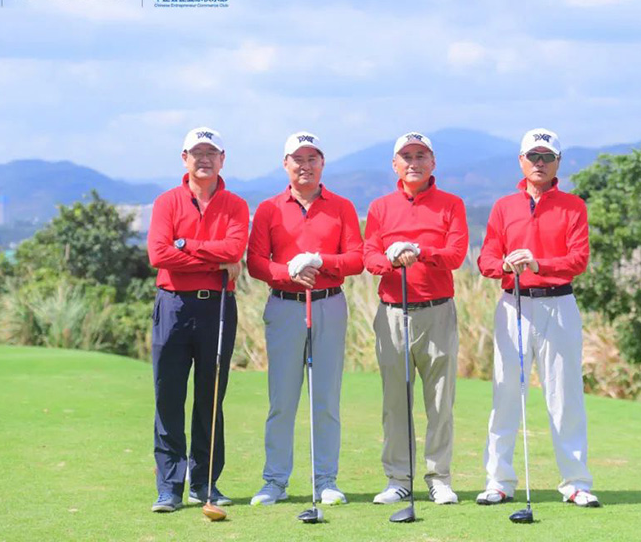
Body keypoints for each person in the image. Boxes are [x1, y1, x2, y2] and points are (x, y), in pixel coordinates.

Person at [476, 128, 600, 508]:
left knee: (565, 396)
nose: (540, 163)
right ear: (521, 160)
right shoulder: (503, 207)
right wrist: (505, 265)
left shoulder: (573, 206)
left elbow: (578, 259)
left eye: (547, 157)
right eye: (533, 156)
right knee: (505, 395)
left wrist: (538, 263)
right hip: (514, 303)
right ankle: (499, 481)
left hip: (558, 306)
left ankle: (576, 482)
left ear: (558, 162)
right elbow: (486, 259)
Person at [246, 131, 364, 506]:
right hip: (284, 306)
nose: (305, 166)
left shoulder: (341, 207)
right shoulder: (269, 209)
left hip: (329, 304)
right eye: (298, 159)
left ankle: (325, 480)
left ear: (322, 163)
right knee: (282, 400)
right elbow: (255, 263)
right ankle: (275, 481)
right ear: (285, 164)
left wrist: (320, 261)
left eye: (312, 158)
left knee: (325, 400)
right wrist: (289, 272)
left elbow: (356, 259)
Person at [146, 126, 249, 512]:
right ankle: (170, 487)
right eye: (197, 153)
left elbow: (234, 249)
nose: (204, 159)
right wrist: (213, 259)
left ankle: (205, 484)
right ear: (184, 158)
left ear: (222, 159)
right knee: (168, 395)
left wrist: (185, 245)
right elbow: (159, 254)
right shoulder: (167, 202)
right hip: (172, 305)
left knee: (211, 395)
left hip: (217, 306)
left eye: (211, 153)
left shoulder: (236, 205)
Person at [363, 132, 468, 505]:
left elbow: (456, 254)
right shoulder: (380, 208)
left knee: (440, 401)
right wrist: (391, 260)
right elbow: (369, 256)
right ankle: (398, 479)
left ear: (433, 161)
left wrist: (420, 252)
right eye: (406, 156)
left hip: (437, 311)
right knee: (395, 402)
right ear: (395, 164)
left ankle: (439, 477)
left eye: (421, 155)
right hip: (393, 312)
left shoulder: (451, 204)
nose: (414, 162)